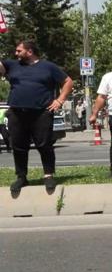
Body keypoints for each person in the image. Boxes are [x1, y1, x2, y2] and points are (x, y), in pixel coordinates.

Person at [0, 40, 73, 193]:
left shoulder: (48, 67)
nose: (16, 53)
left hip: (41, 113)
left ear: (30, 51)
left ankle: (48, 175)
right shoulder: (12, 65)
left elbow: (67, 81)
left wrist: (59, 100)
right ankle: (21, 177)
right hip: (17, 113)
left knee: (44, 145)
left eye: (19, 51)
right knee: (18, 146)